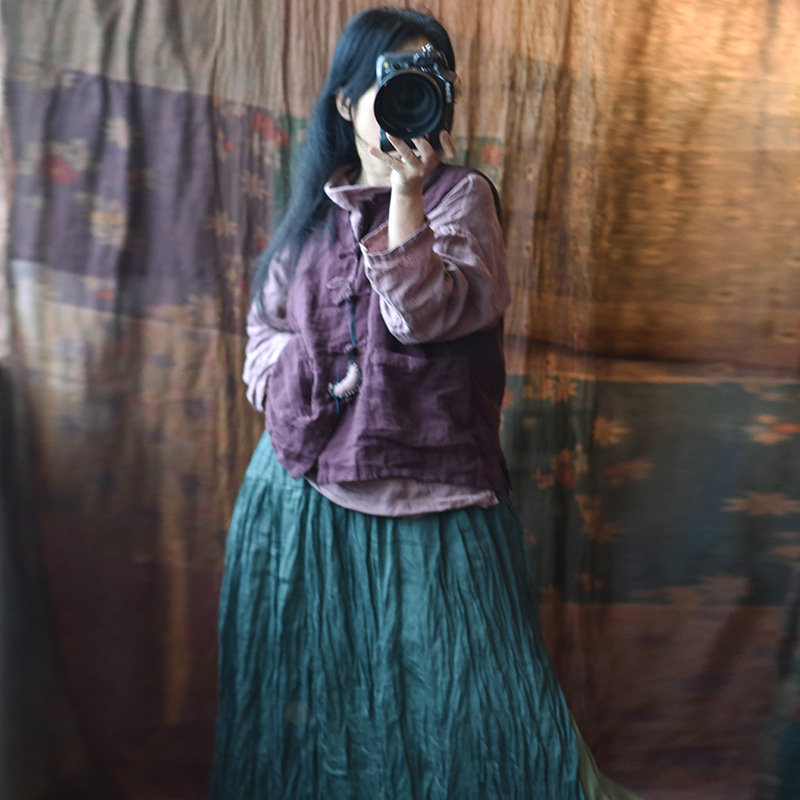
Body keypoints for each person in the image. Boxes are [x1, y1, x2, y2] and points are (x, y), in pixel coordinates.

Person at [211, 7, 640, 799]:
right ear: (347, 101)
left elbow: (424, 319)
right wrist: (307, 384)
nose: (411, 92)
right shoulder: (314, 213)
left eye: (428, 77)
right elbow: (263, 333)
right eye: (393, 78)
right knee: (327, 709)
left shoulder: (460, 197)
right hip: (301, 495)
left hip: (432, 499)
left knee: (471, 709)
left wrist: (405, 198)